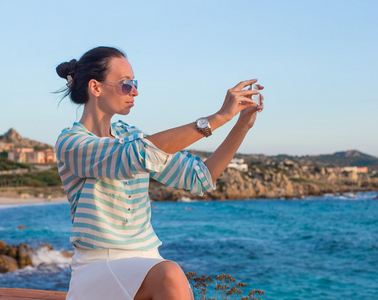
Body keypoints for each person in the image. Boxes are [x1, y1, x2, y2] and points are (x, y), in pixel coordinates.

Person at [55, 46, 264, 300]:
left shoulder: (132, 136)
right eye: (125, 84)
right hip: (101, 263)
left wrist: (241, 125)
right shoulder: (72, 144)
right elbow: (136, 155)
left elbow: (201, 176)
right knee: (171, 274)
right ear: (95, 87)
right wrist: (219, 117)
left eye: (134, 83)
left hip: (149, 259)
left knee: (169, 274)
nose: (135, 91)